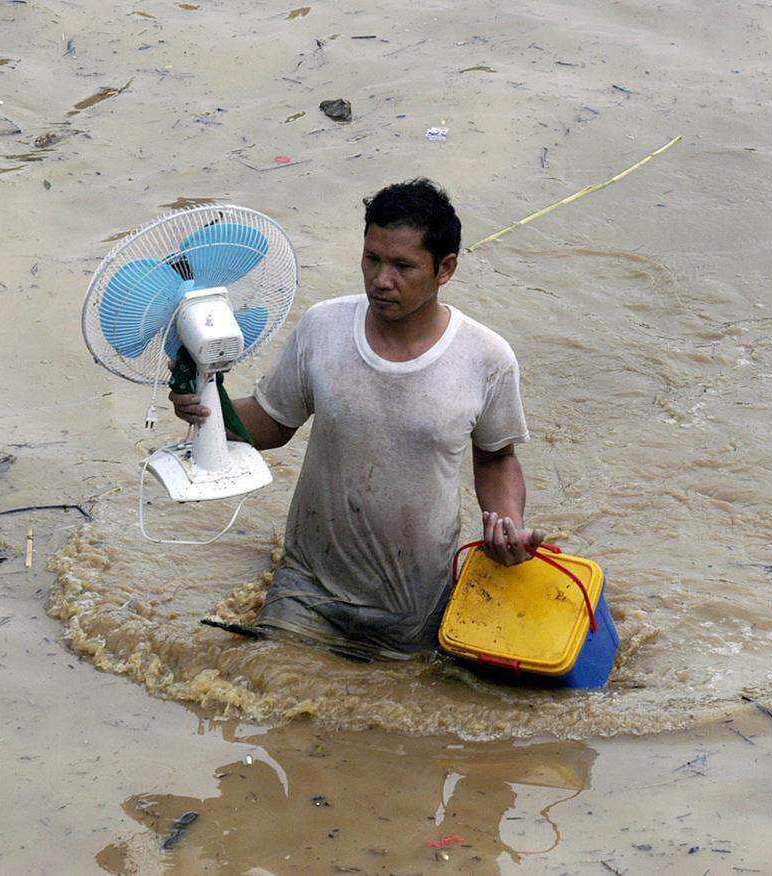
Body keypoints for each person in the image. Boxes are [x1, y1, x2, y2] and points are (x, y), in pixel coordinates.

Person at [170, 179, 549, 658]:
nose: (380, 279)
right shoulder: (323, 327)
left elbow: (496, 460)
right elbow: (272, 423)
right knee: (266, 686)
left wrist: (508, 523)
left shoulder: (486, 358)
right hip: (307, 589)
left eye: (402, 266)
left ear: (445, 268)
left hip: (415, 604)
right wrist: (207, 402)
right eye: (372, 258)